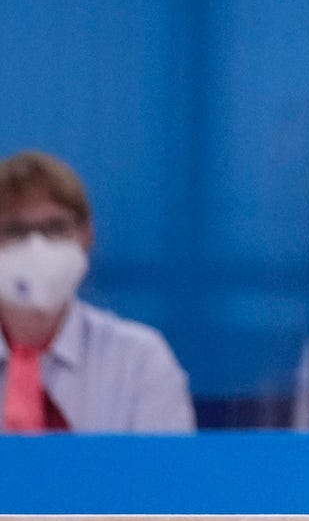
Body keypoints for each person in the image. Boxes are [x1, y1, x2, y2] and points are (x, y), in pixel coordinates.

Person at [0, 151, 194, 433]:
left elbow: (166, 474)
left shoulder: (139, 360)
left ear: (86, 236)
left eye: (55, 228)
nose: (36, 247)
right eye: (15, 231)